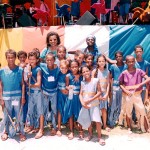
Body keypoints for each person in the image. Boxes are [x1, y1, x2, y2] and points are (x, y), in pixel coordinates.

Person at [119, 55, 150, 133]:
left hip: (137, 94)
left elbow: (148, 78)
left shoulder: (139, 71)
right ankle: (129, 127)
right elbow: (120, 84)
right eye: (129, 62)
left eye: (133, 61)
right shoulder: (124, 73)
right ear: (126, 63)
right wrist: (126, 91)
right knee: (128, 111)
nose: (131, 63)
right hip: (128, 95)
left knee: (141, 110)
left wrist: (140, 84)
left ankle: (142, 126)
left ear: (135, 61)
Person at [0, 49, 26, 141]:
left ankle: (21, 132)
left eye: (12, 57)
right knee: (7, 115)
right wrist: (1, 98)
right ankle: (6, 132)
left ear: (15, 58)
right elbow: (1, 85)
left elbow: (22, 84)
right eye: (8, 57)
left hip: (17, 97)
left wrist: (23, 97)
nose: (10, 59)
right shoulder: (2, 71)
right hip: (6, 97)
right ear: (6, 58)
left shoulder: (20, 70)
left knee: (19, 115)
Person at [78, 65, 105, 145]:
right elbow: (80, 94)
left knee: (97, 120)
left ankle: (100, 137)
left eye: (87, 71)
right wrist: (82, 102)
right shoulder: (82, 82)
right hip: (85, 104)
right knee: (88, 119)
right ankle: (90, 134)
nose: (85, 73)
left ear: (90, 71)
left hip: (94, 103)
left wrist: (91, 99)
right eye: (83, 72)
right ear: (82, 74)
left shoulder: (96, 80)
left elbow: (99, 92)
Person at [25, 51, 44, 139]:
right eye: (30, 59)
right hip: (30, 92)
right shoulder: (28, 68)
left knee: (40, 111)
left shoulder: (38, 69)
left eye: (33, 59)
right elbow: (25, 80)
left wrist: (30, 85)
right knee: (31, 110)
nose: (31, 60)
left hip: (37, 92)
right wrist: (28, 77)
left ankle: (41, 129)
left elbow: (38, 83)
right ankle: (32, 125)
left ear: (36, 60)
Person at [40, 52, 60, 136]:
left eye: (51, 60)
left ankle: (54, 127)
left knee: (54, 109)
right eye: (47, 60)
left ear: (54, 60)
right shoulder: (42, 66)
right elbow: (31, 62)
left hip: (54, 92)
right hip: (44, 92)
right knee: (43, 109)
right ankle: (41, 129)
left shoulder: (58, 69)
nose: (49, 62)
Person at [63, 60, 83, 140]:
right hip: (71, 98)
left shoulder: (81, 76)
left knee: (79, 114)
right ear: (70, 68)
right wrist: (68, 87)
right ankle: (71, 131)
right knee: (70, 115)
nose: (74, 68)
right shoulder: (68, 76)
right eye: (72, 67)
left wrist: (79, 75)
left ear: (78, 67)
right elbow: (66, 86)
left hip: (79, 98)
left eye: (76, 67)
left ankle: (81, 131)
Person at [92, 54, 110, 132]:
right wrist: (96, 95)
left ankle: (105, 125)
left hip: (104, 94)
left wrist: (106, 94)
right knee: (96, 110)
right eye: (100, 61)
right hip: (96, 94)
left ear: (105, 62)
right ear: (97, 62)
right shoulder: (94, 71)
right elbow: (92, 84)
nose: (101, 62)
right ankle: (96, 125)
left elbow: (108, 83)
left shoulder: (107, 71)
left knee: (104, 110)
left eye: (103, 61)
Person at [108, 51, 126, 128]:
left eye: (120, 56)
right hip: (115, 88)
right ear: (115, 58)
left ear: (123, 57)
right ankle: (110, 121)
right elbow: (110, 78)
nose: (118, 58)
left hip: (123, 88)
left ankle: (116, 120)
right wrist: (110, 90)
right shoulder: (113, 66)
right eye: (117, 56)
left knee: (120, 105)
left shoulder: (126, 66)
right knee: (113, 105)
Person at [56, 60, 69, 136]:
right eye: (62, 68)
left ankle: (66, 123)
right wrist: (62, 90)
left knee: (66, 109)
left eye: (65, 68)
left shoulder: (68, 75)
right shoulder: (58, 74)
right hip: (60, 95)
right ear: (59, 67)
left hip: (66, 95)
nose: (63, 70)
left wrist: (66, 90)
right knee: (59, 110)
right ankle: (59, 128)